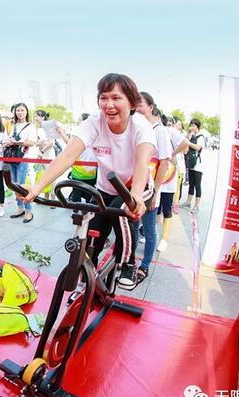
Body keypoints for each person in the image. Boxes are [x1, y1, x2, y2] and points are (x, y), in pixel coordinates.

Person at [23, 73, 155, 287]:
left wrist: (137, 196)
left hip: (135, 187)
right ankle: (89, 275)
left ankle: (128, 263)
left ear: (132, 103)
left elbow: (142, 162)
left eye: (116, 98)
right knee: (92, 232)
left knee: (122, 211)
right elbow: (67, 156)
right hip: (105, 187)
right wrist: (37, 187)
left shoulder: (141, 126)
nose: (109, 105)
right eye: (104, 98)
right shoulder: (94, 122)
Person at [134, 93, 172, 283]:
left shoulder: (160, 131)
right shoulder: (137, 127)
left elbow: (164, 163)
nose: (137, 108)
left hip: (149, 188)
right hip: (134, 187)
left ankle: (145, 265)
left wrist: (155, 192)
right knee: (133, 227)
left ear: (151, 107)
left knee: (149, 229)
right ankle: (129, 261)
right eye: (135, 104)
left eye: (140, 104)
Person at [156, 115, 190, 252]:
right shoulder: (152, 130)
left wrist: (172, 154)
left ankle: (164, 239)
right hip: (156, 175)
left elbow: (185, 143)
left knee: (166, 209)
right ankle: (150, 233)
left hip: (168, 176)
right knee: (155, 208)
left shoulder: (169, 131)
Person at [4, 102, 37, 223]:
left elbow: (32, 142)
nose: (20, 112)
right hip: (11, 158)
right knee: (14, 185)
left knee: (22, 186)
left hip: (23, 158)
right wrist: (8, 142)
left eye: (22, 110)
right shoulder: (13, 125)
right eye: (18, 110)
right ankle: (20, 208)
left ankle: (29, 211)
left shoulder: (31, 126)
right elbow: (9, 138)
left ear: (26, 112)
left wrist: (15, 142)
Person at [180, 118, 205, 212]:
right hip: (191, 163)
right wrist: (189, 133)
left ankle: (196, 205)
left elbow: (198, 148)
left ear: (197, 127)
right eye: (191, 125)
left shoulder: (201, 137)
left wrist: (189, 143)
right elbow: (185, 142)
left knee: (197, 185)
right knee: (191, 184)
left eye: (194, 125)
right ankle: (188, 202)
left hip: (198, 165)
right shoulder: (192, 135)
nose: (192, 127)